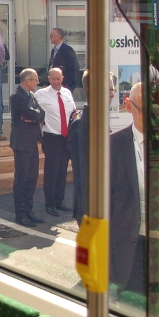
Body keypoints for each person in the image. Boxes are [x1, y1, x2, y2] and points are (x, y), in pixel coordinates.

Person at [110, 81, 146, 294]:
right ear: (128, 105)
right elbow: (101, 209)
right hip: (130, 252)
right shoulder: (113, 146)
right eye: (144, 110)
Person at [68, 70, 117, 225]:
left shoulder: (100, 119)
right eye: (108, 89)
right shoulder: (80, 126)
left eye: (113, 90)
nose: (112, 94)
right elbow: (82, 176)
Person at [34, 67, 76, 216]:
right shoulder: (42, 94)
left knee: (62, 171)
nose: (56, 81)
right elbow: (31, 107)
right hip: (52, 137)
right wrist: (39, 120)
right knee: (51, 171)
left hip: (66, 138)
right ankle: (50, 203)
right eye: (53, 79)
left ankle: (59, 201)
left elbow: (72, 112)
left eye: (58, 78)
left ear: (62, 78)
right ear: (49, 79)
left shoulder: (67, 93)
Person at [9, 68, 45, 226]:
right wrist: (34, 116)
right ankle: (20, 213)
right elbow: (30, 114)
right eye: (36, 80)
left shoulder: (31, 96)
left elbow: (41, 113)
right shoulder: (17, 96)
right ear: (28, 81)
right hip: (22, 142)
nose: (38, 82)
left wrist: (34, 116)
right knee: (22, 178)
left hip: (32, 141)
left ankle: (29, 210)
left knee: (32, 177)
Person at [48, 27, 79, 91]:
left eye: (51, 36)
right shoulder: (54, 50)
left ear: (57, 37)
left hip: (64, 86)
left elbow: (73, 69)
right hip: (53, 85)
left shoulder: (67, 50)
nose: (49, 38)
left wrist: (66, 85)